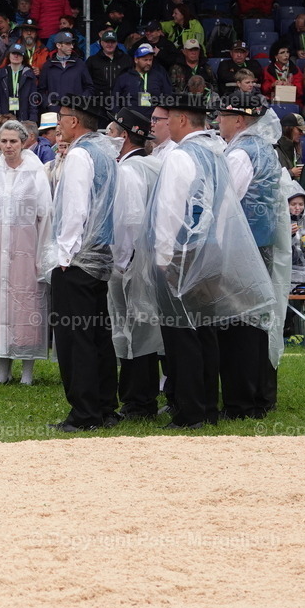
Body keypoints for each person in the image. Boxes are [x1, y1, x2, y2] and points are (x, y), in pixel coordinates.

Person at [141, 91, 274, 429]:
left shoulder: (181, 156)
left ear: (182, 119)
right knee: (205, 331)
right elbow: (227, 209)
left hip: (182, 253)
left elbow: (170, 211)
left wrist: (163, 257)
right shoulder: (216, 153)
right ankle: (208, 408)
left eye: (169, 118)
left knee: (182, 334)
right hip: (210, 251)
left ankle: (191, 412)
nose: (166, 124)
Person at [215, 94, 290, 418]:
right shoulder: (266, 150)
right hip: (262, 247)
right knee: (257, 323)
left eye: (223, 116)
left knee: (238, 327)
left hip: (240, 251)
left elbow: (225, 207)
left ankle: (241, 403)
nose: (218, 121)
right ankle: (260, 396)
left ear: (239, 120)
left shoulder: (240, 154)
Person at [47, 96, 118, 432]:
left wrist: (64, 254)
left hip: (77, 259)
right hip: (100, 254)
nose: (58, 124)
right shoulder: (104, 151)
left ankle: (85, 413)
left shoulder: (79, 154)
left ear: (74, 121)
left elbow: (75, 208)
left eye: (61, 117)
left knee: (76, 338)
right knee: (98, 335)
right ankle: (104, 406)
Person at [0, 120, 52, 385]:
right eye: (3, 141)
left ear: (24, 142)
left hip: (26, 250)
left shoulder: (35, 173)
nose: (7, 146)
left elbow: (46, 216)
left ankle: (27, 371)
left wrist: (44, 257)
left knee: (26, 306)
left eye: (13, 141)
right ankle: (2, 369)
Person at [106, 107, 164, 420]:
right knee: (146, 328)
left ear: (124, 136)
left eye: (112, 133)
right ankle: (144, 396)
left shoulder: (129, 170)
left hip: (132, 262)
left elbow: (129, 221)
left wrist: (122, 263)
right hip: (152, 260)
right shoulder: (153, 164)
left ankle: (138, 401)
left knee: (131, 330)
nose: (108, 138)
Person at [37, 31, 94, 112]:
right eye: (68, 44)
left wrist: (81, 102)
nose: (72, 46)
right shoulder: (48, 65)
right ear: (58, 45)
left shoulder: (79, 63)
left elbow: (89, 87)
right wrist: (48, 104)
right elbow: (40, 90)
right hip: (55, 112)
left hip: (76, 111)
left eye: (72, 43)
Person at [112, 43, 173, 109]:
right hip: (130, 114)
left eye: (150, 60)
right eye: (145, 60)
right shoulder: (124, 77)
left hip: (154, 115)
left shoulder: (159, 76)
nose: (148, 63)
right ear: (136, 60)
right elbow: (114, 100)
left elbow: (168, 97)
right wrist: (117, 114)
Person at [0, 44, 39, 121]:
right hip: (4, 117)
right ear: (9, 55)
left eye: (19, 54)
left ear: (23, 57)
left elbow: (33, 98)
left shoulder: (29, 74)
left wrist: (32, 119)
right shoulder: (1, 73)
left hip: (24, 117)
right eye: (13, 53)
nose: (16, 56)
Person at [261, 42, 303, 107]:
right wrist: (272, 85)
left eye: (287, 52)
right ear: (275, 56)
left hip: (292, 101)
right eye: (282, 52)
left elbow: (300, 91)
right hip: (273, 102)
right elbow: (264, 89)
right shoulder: (268, 70)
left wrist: (292, 86)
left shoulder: (295, 69)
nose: (286, 55)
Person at [275, 113, 305, 181]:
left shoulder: (296, 148)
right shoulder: (274, 148)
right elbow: (269, 177)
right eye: (299, 130)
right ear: (288, 129)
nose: (302, 133)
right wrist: (291, 173)